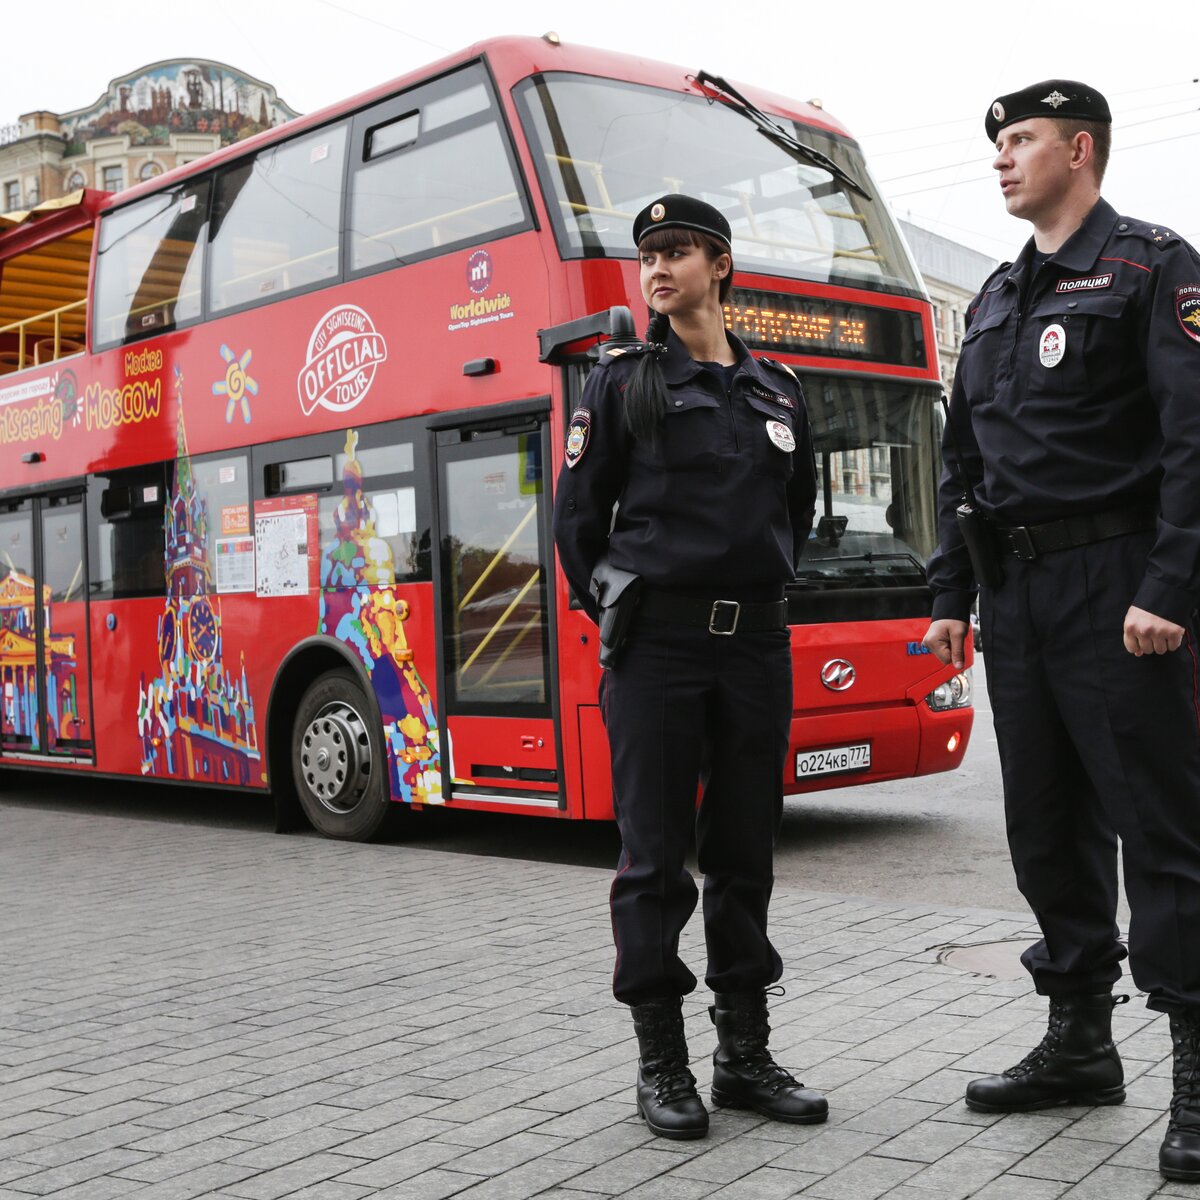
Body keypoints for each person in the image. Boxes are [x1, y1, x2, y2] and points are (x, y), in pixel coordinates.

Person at [924, 80, 1200, 1183]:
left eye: (1022, 139)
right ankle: (1082, 1043)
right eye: (998, 142)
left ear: (1079, 150)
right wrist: (951, 598)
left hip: (1123, 584)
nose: (1002, 158)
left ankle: (1193, 1073)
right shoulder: (994, 298)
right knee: (1044, 825)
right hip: (1020, 598)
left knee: (1164, 834)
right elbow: (962, 465)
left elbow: (1194, 439)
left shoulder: (1150, 266)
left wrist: (1171, 586)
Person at [552, 195, 827, 1140]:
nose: (657, 269)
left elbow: (799, 506)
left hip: (756, 645)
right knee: (656, 858)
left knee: (746, 850)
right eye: (647, 256)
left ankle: (743, 1056)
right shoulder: (622, 382)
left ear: (719, 263)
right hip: (658, 649)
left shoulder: (777, 388)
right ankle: (661, 1065)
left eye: (675, 252)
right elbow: (577, 524)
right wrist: (629, 611)